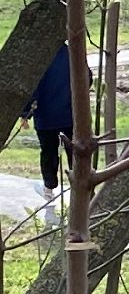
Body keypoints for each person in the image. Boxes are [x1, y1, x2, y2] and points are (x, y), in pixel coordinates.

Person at [18, 43, 74, 223]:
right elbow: (86, 78)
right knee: (75, 150)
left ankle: (49, 189)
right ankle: (80, 186)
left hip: (46, 114)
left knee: (48, 151)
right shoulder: (70, 50)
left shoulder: (39, 52)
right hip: (71, 113)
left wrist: (26, 112)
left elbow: (34, 85)